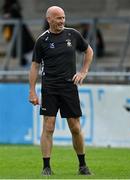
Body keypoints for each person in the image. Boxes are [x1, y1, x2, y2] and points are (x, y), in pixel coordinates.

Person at [29, 6, 93, 176]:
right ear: (49, 19)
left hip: (69, 87)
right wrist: (32, 91)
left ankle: (82, 165)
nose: (61, 21)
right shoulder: (42, 41)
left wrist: (83, 72)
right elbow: (35, 66)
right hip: (49, 88)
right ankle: (46, 167)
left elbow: (89, 51)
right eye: (58, 18)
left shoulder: (72, 34)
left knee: (75, 127)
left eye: (63, 18)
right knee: (48, 127)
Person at [1, 0, 35, 66]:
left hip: (21, 38)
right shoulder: (11, 9)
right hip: (18, 38)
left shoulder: (13, 9)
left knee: (27, 56)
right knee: (25, 56)